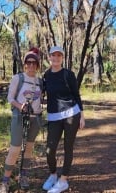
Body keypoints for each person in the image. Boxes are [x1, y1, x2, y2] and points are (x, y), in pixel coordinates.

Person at [42, 46, 85, 193]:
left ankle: (63, 180)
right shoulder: (46, 75)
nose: (56, 58)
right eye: (53, 55)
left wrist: (82, 115)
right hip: (54, 117)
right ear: (49, 57)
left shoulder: (68, 74)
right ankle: (53, 175)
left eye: (59, 55)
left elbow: (76, 94)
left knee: (68, 147)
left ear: (62, 57)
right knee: (50, 149)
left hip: (72, 114)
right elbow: (41, 94)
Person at [0, 49, 42, 193]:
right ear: (25, 64)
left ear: (37, 65)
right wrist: (20, 106)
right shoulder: (18, 78)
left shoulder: (40, 81)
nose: (31, 65)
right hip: (19, 117)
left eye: (34, 62)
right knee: (15, 149)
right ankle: (5, 182)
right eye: (28, 62)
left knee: (29, 148)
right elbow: (10, 98)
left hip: (35, 118)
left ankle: (23, 176)